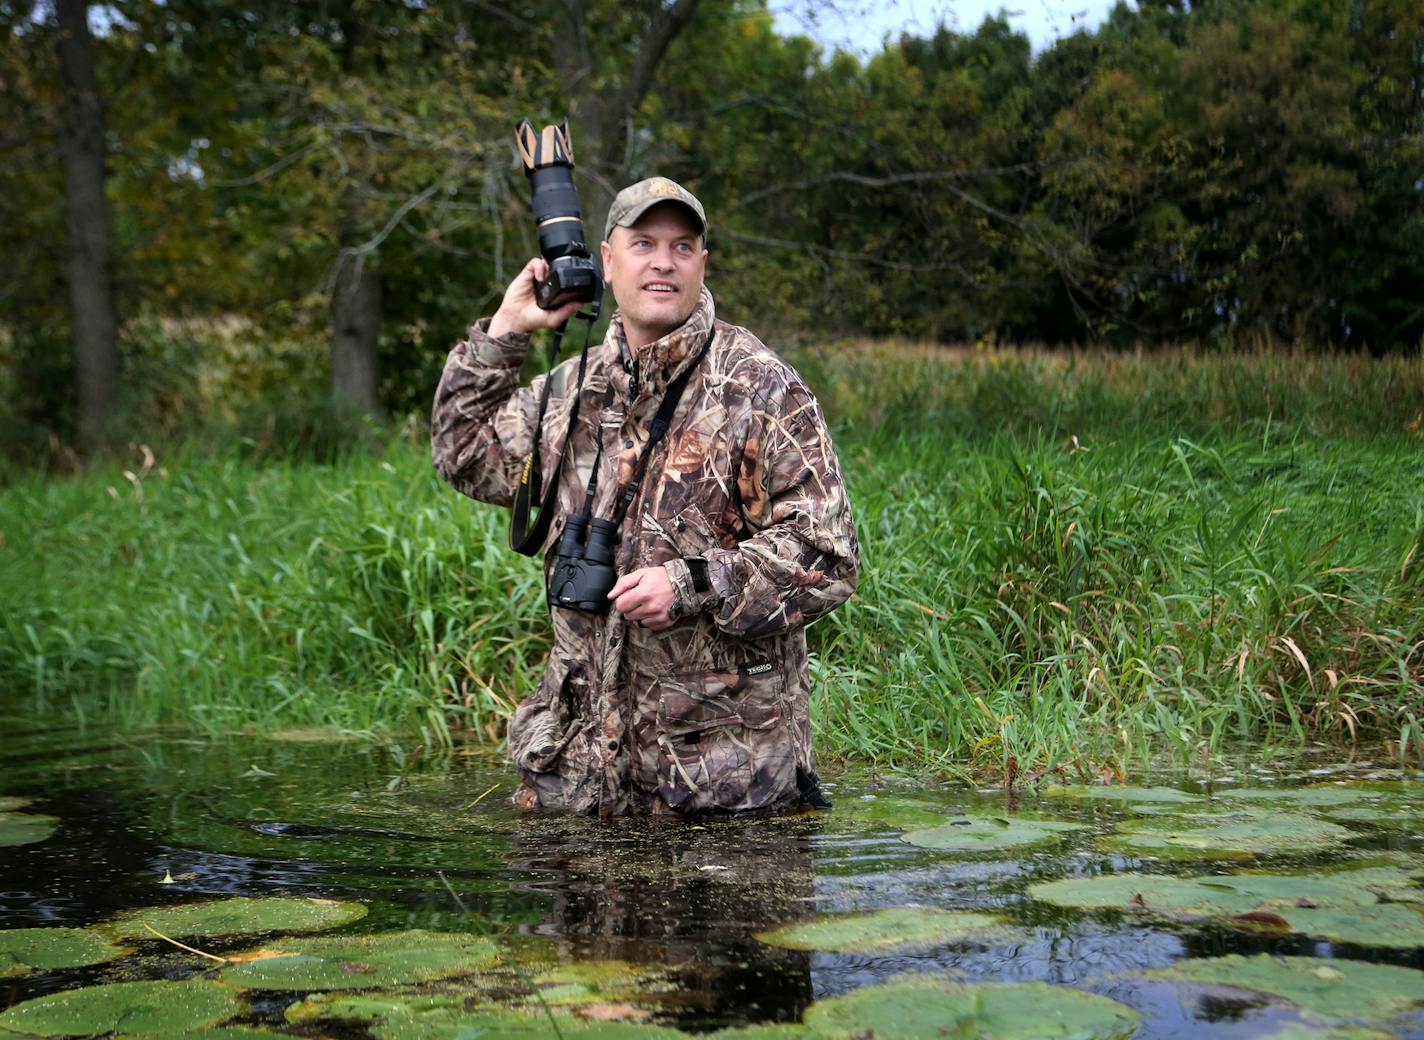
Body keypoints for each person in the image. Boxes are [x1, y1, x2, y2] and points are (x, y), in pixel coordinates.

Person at [431, 176, 858, 818]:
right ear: (607, 260)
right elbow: (463, 451)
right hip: (577, 785)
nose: (663, 262)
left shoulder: (760, 388)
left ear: (702, 264)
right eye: (644, 244)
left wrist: (690, 584)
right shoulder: (572, 392)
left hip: (719, 794)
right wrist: (507, 329)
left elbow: (829, 557)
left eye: (682, 246)